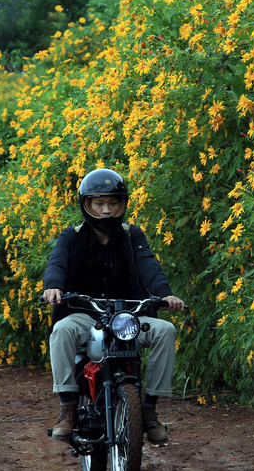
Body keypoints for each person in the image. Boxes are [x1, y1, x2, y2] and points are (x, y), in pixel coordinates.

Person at [42, 168, 185, 445]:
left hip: (129, 317)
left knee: (165, 330)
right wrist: (53, 286)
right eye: (99, 203)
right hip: (85, 317)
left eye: (113, 203)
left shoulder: (133, 235)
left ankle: (149, 409)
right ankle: (67, 407)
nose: (106, 210)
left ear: (122, 204)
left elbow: (149, 266)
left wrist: (165, 295)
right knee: (61, 330)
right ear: (87, 205)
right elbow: (57, 262)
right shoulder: (71, 236)